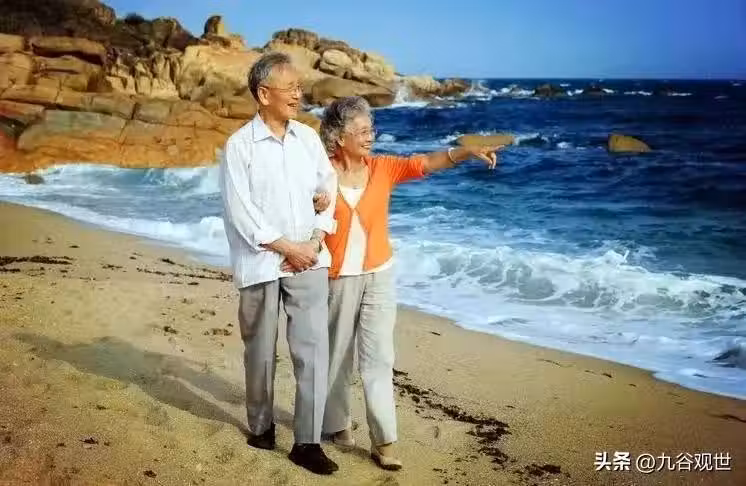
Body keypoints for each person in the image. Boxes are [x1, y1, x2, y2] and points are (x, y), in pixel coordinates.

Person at [296, 96, 502, 470]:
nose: (370, 136)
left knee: (379, 358)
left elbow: (425, 163)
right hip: (336, 278)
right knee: (336, 356)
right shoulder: (319, 174)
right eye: (361, 131)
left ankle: (384, 441)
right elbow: (297, 212)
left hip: (380, 275)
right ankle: (336, 424)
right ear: (339, 137)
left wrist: (466, 151)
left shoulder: (383, 168)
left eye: (371, 129)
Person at [218, 52, 339, 475]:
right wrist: (288, 247)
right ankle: (262, 427)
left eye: (299, 87)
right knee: (260, 352)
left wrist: (315, 239)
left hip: (309, 259)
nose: (298, 94)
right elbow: (241, 212)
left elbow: (328, 189)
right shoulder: (239, 146)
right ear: (263, 93)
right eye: (290, 88)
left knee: (313, 351)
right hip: (260, 263)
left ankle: (307, 442)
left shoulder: (308, 138)